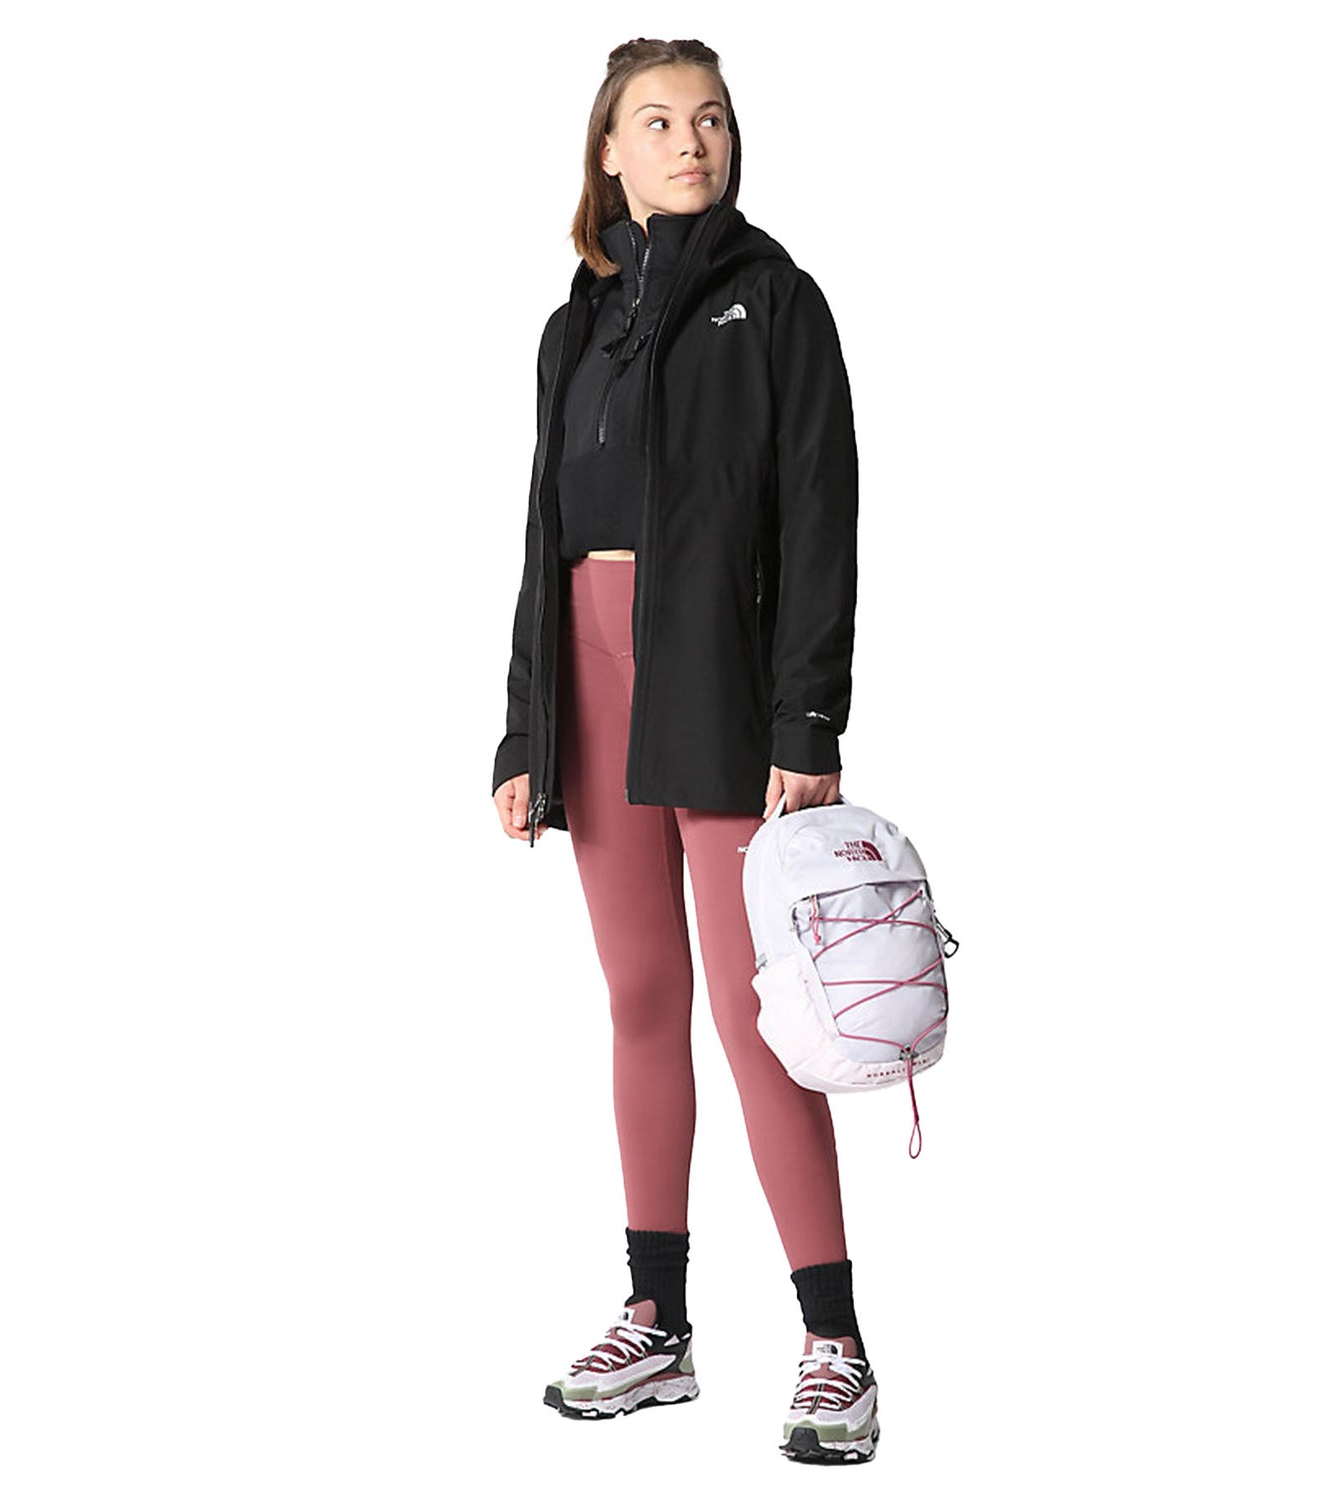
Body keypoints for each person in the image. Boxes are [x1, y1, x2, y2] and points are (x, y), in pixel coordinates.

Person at [490, 38, 875, 1465]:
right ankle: (658, 1320)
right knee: (642, 997)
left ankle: (834, 1342)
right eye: (656, 121)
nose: (689, 140)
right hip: (591, 687)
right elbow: (542, 538)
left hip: (721, 683)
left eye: (708, 118)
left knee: (758, 1010)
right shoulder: (574, 327)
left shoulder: (778, 302)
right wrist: (524, 729)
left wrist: (807, 721)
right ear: (610, 151)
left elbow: (822, 519)